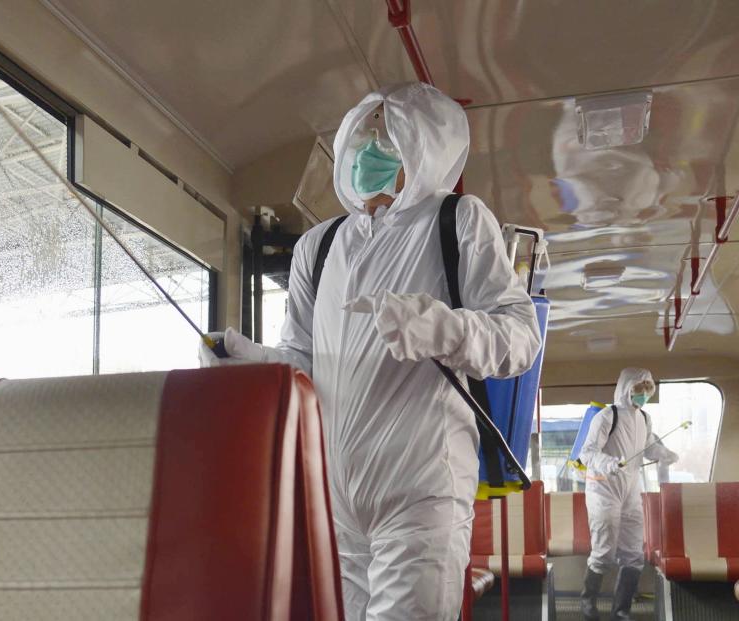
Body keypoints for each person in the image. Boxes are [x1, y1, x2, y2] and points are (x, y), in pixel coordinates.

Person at [200, 82, 541, 621]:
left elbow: (520, 339)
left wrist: (441, 329)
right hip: (336, 496)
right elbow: (305, 363)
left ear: (425, 148)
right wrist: (252, 367)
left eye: (387, 138)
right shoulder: (321, 245)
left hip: (422, 491)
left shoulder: (459, 221)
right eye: (363, 136)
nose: (368, 151)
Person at [577, 368, 678, 621]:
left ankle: (621, 610)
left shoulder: (644, 418)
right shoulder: (605, 416)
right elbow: (587, 453)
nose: (643, 394)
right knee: (604, 550)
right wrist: (609, 463)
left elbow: (648, 446)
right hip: (603, 489)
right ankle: (587, 602)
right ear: (626, 388)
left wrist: (663, 454)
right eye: (638, 389)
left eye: (647, 389)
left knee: (633, 553)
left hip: (631, 489)